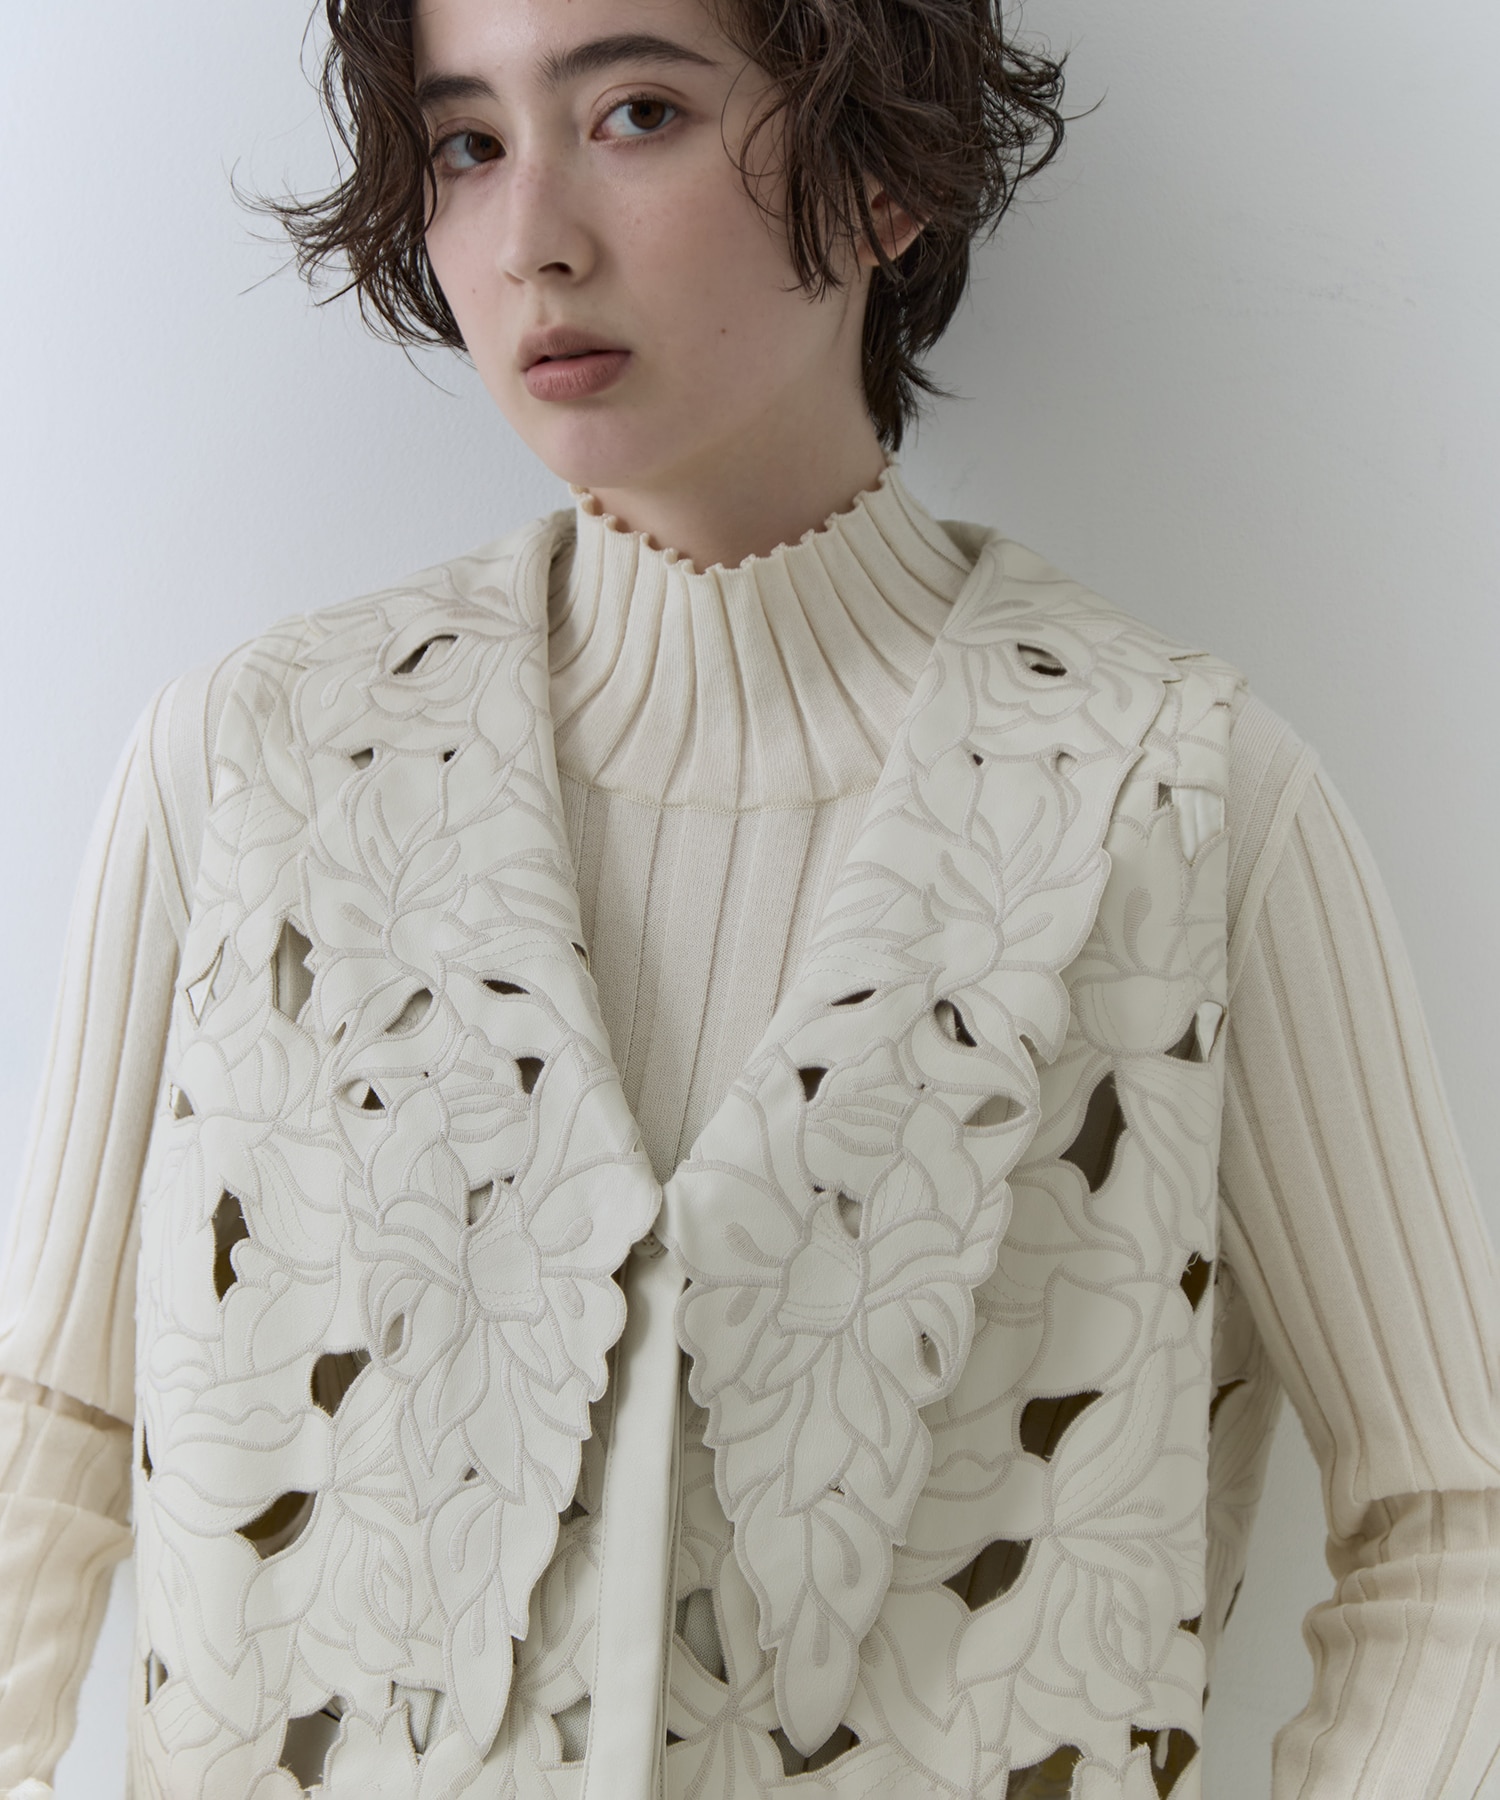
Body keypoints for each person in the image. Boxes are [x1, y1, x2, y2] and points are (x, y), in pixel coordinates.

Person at [0, 0, 1496, 1795]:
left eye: (637, 111)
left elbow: (1454, 1528)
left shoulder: (1182, 803)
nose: (533, 235)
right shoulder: (248, 774)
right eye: (468, 142)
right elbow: (45, 1443)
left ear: (880, 175)